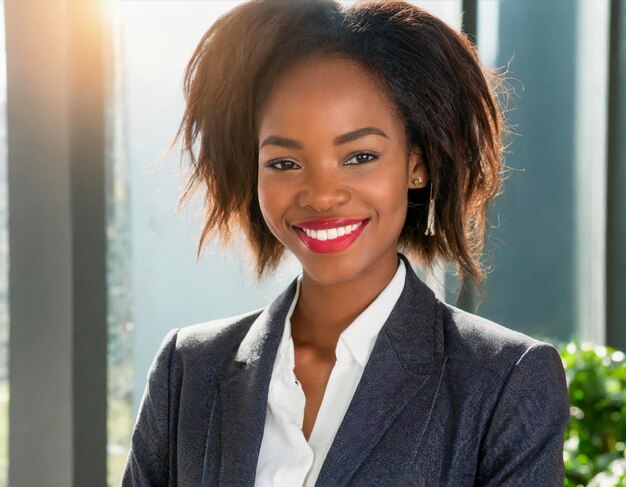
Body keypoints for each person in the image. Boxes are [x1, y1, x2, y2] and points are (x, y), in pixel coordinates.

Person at [121, 1, 569, 486]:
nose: (321, 195)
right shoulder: (189, 368)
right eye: (284, 163)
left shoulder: (503, 380)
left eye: (359, 156)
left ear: (415, 165)